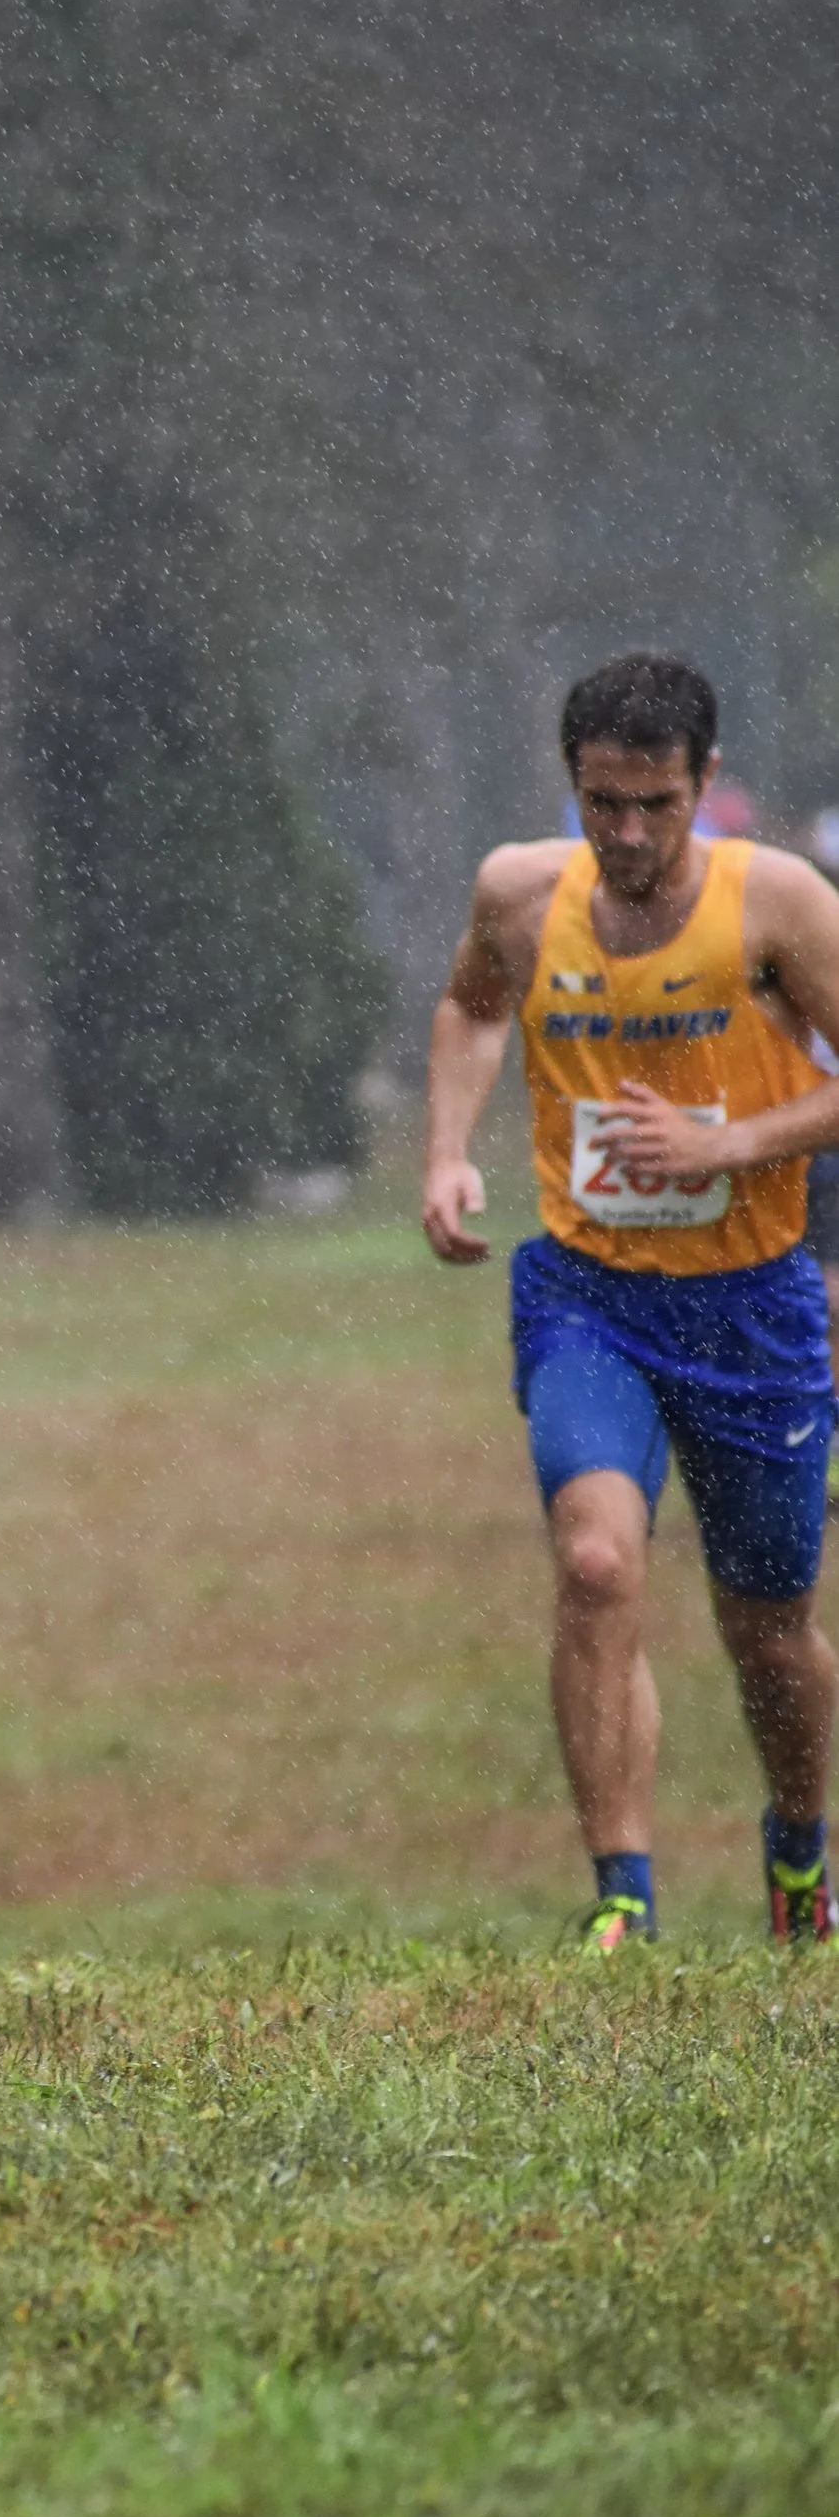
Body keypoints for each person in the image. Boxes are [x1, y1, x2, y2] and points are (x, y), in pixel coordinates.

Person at [423, 650, 839, 1946]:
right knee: (598, 1560)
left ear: (706, 784)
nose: (631, 833)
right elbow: (472, 1007)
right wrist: (447, 1147)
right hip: (588, 1293)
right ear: (573, 785)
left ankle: (797, 1857)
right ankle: (624, 1897)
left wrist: (727, 1146)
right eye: (605, 802)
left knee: (769, 1635)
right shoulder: (519, 891)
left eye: (658, 803)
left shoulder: (777, 906)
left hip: (753, 1306)